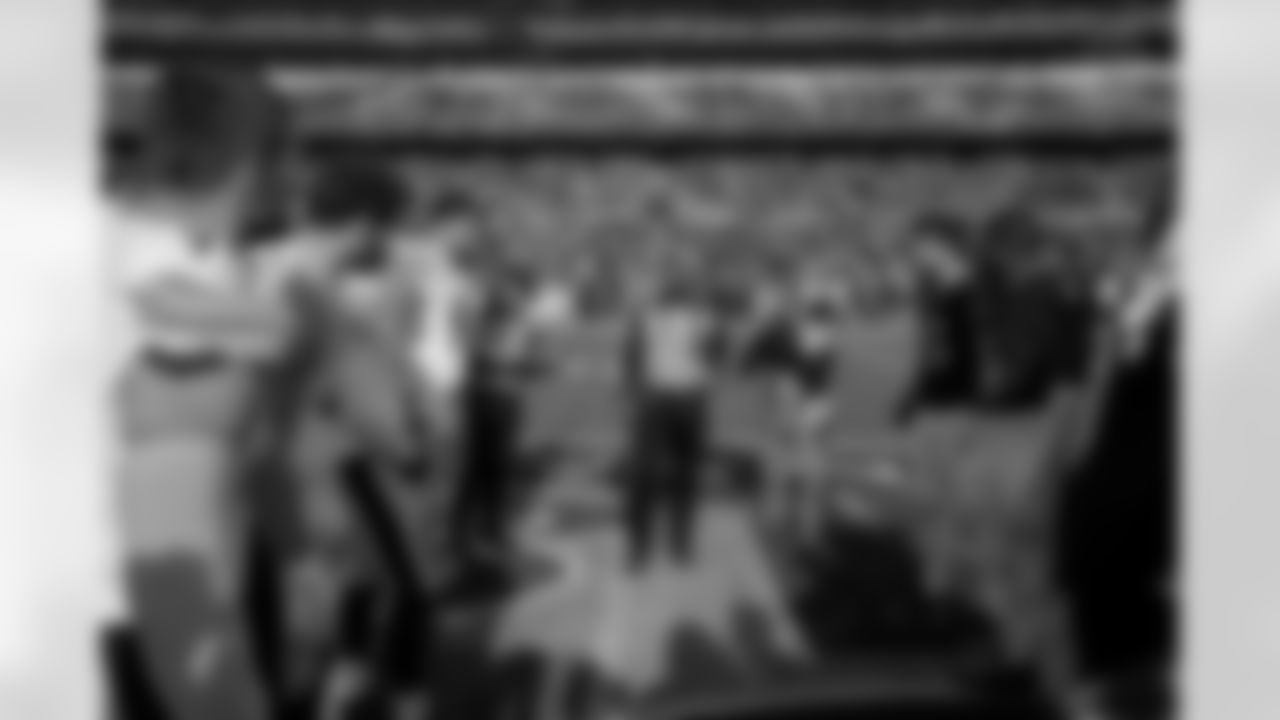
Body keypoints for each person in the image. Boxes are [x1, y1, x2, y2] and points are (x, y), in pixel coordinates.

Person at [111, 64, 296, 720]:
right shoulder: (153, 249)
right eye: (276, 159)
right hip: (165, 501)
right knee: (209, 689)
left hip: (192, 500)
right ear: (241, 160)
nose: (283, 182)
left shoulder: (187, 246)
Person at [623, 273, 718, 568]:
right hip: (682, 398)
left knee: (652, 475)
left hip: (663, 398)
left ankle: (647, 548)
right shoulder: (699, 319)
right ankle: (676, 545)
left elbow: (631, 358)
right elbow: (718, 355)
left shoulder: (652, 317)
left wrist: (634, 388)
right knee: (678, 475)